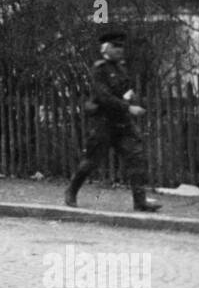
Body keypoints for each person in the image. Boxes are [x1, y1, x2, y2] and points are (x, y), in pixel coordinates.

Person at [64, 31, 162, 212]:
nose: (120, 50)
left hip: (122, 124)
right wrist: (128, 108)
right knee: (91, 162)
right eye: (115, 46)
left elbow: (125, 91)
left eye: (121, 46)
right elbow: (103, 97)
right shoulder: (99, 70)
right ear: (105, 48)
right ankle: (71, 191)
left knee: (136, 159)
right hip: (103, 122)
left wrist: (132, 99)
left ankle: (140, 202)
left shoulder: (121, 68)